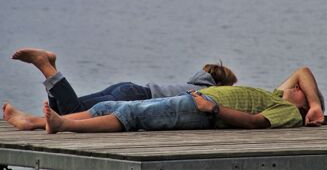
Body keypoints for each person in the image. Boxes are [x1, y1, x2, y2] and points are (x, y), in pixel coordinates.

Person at [3, 66, 325, 133]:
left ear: (296, 101)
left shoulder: (287, 111)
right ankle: (38, 121)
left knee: (133, 117)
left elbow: (255, 123)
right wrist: (315, 105)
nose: (295, 86)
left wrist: (213, 108)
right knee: (112, 108)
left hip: (200, 109)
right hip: (195, 100)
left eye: (300, 91)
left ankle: (60, 123)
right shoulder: (278, 96)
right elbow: (302, 71)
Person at [10, 48, 237, 115]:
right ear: (222, 86)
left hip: (129, 88)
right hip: (132, 98)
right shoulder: (206, 94)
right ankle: (44, 64)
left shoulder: (191, 85)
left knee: (64, 112)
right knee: (73, 111)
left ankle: (50, 66)